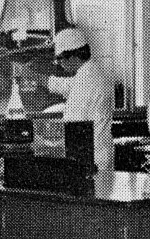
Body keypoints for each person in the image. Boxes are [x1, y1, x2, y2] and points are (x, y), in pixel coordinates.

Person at [46, 27, 114, 172]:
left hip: (92, 160)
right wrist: (38, 78)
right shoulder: (90, 73)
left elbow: (73, 124)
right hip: (97, 155)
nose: (59, 64)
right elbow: (66, 85)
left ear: (73, 56)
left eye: (60, 59)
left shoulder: (87, 81)